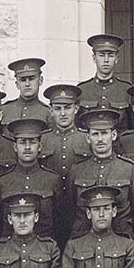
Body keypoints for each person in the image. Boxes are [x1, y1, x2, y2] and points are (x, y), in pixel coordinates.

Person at [69, 109, 134, 240]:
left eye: (104, 133)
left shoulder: (130, 169)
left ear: (113, 135)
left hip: (122, 242)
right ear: (88, 138)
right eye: (95, 134)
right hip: (83, 244)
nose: (100, 139)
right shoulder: (77, 170)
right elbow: (68, 212)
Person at [0, 117, 62, 243]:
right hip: (9, 252)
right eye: (22, 142)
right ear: (15, 146)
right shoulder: (2, 182)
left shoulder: (52, 180)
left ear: (40, 146)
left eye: (32, 142)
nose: (28, 147)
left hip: (45, 251)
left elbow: (59, 221)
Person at [40, 84, 90, 245]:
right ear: (51, 110)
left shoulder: (87, 139)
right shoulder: (41, 140)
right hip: (48, 213)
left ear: (76, 108)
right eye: (58, 108)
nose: (63, 113)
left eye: (67, 108)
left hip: (80, 212)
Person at [77, 34, 132, 126]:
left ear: (116, 59)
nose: (106, 60)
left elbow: (132, 125)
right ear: (94, 58)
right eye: (101, 55)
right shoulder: (82, 90)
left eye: (110, 55)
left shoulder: (126, 90)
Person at [1, 57, 53, 134]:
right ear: (17, 84)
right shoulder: (4, 110)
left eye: (31, 79)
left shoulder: (48, 113)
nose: (27, 84)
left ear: (40, 80)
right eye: (23, 80)